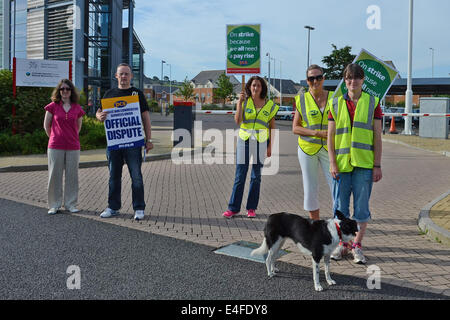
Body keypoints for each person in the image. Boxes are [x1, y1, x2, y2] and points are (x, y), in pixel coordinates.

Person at [327, 63, 383, 264]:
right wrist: (332, 163)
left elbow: (377, 137)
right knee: (340, 208)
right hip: (341, 166)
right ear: (345, 80)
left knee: (361, 208)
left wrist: (377, 165)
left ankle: (356, 246)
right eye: (349, 78)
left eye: (357, 78)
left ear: (363, 80)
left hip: (364, 165)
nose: (353, 81)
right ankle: (342, 245)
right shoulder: (335, 103)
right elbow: (331, 137)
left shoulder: (372, 102)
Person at [96, 63, 153, 221]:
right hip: (114, 144)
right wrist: (98, 116)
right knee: (114, 176)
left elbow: (145, 118)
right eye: (121, 74)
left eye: (126, 74)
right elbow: (99, 112)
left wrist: (149, 140)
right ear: (116, 76)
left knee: (136, 176)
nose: (124, 77)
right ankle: (113, 207)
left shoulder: (137, 94)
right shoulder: (109, 94)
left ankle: (139, 208)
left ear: (131, 76)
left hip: (134, 144)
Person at [223, 76, 279, 219]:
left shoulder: (270, 105)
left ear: (262, 88)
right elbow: (238, 121)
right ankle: (233, 208)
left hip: (261, 143)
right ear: (249, 87)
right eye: (253, 85)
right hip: (244, 142)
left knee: (256, 177)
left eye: (258, 86)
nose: (256, 88)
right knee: (240, 176)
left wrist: (270, 147)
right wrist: (239, 103)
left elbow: (272, 127)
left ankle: (251, 208)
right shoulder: (245, 102)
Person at [292, 65, 333, 221]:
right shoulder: (301, 99)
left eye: (318, 77)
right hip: (307, 148)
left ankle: (339, 225)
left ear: (323, 78)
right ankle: (315, 225)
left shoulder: (335, 97)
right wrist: (316, 133)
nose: (315, 81)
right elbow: (295, 128)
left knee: (336, 186)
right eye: (311, 78)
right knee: (310, 188)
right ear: (307, 81)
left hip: (329, 149)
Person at [44, 79, 85, 215]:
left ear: (71, 91)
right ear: (59, 91)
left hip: (73, 146)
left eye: (67, 89)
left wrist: (70, 136)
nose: (65, 91)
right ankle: (54, 205)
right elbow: (46, 126)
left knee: (72, 176)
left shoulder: (77, 108)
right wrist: (55, 136)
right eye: (62, 89)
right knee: (54, 175)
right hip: (55, 145)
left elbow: (78, 127)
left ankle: (71, 204)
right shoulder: (52, 106)